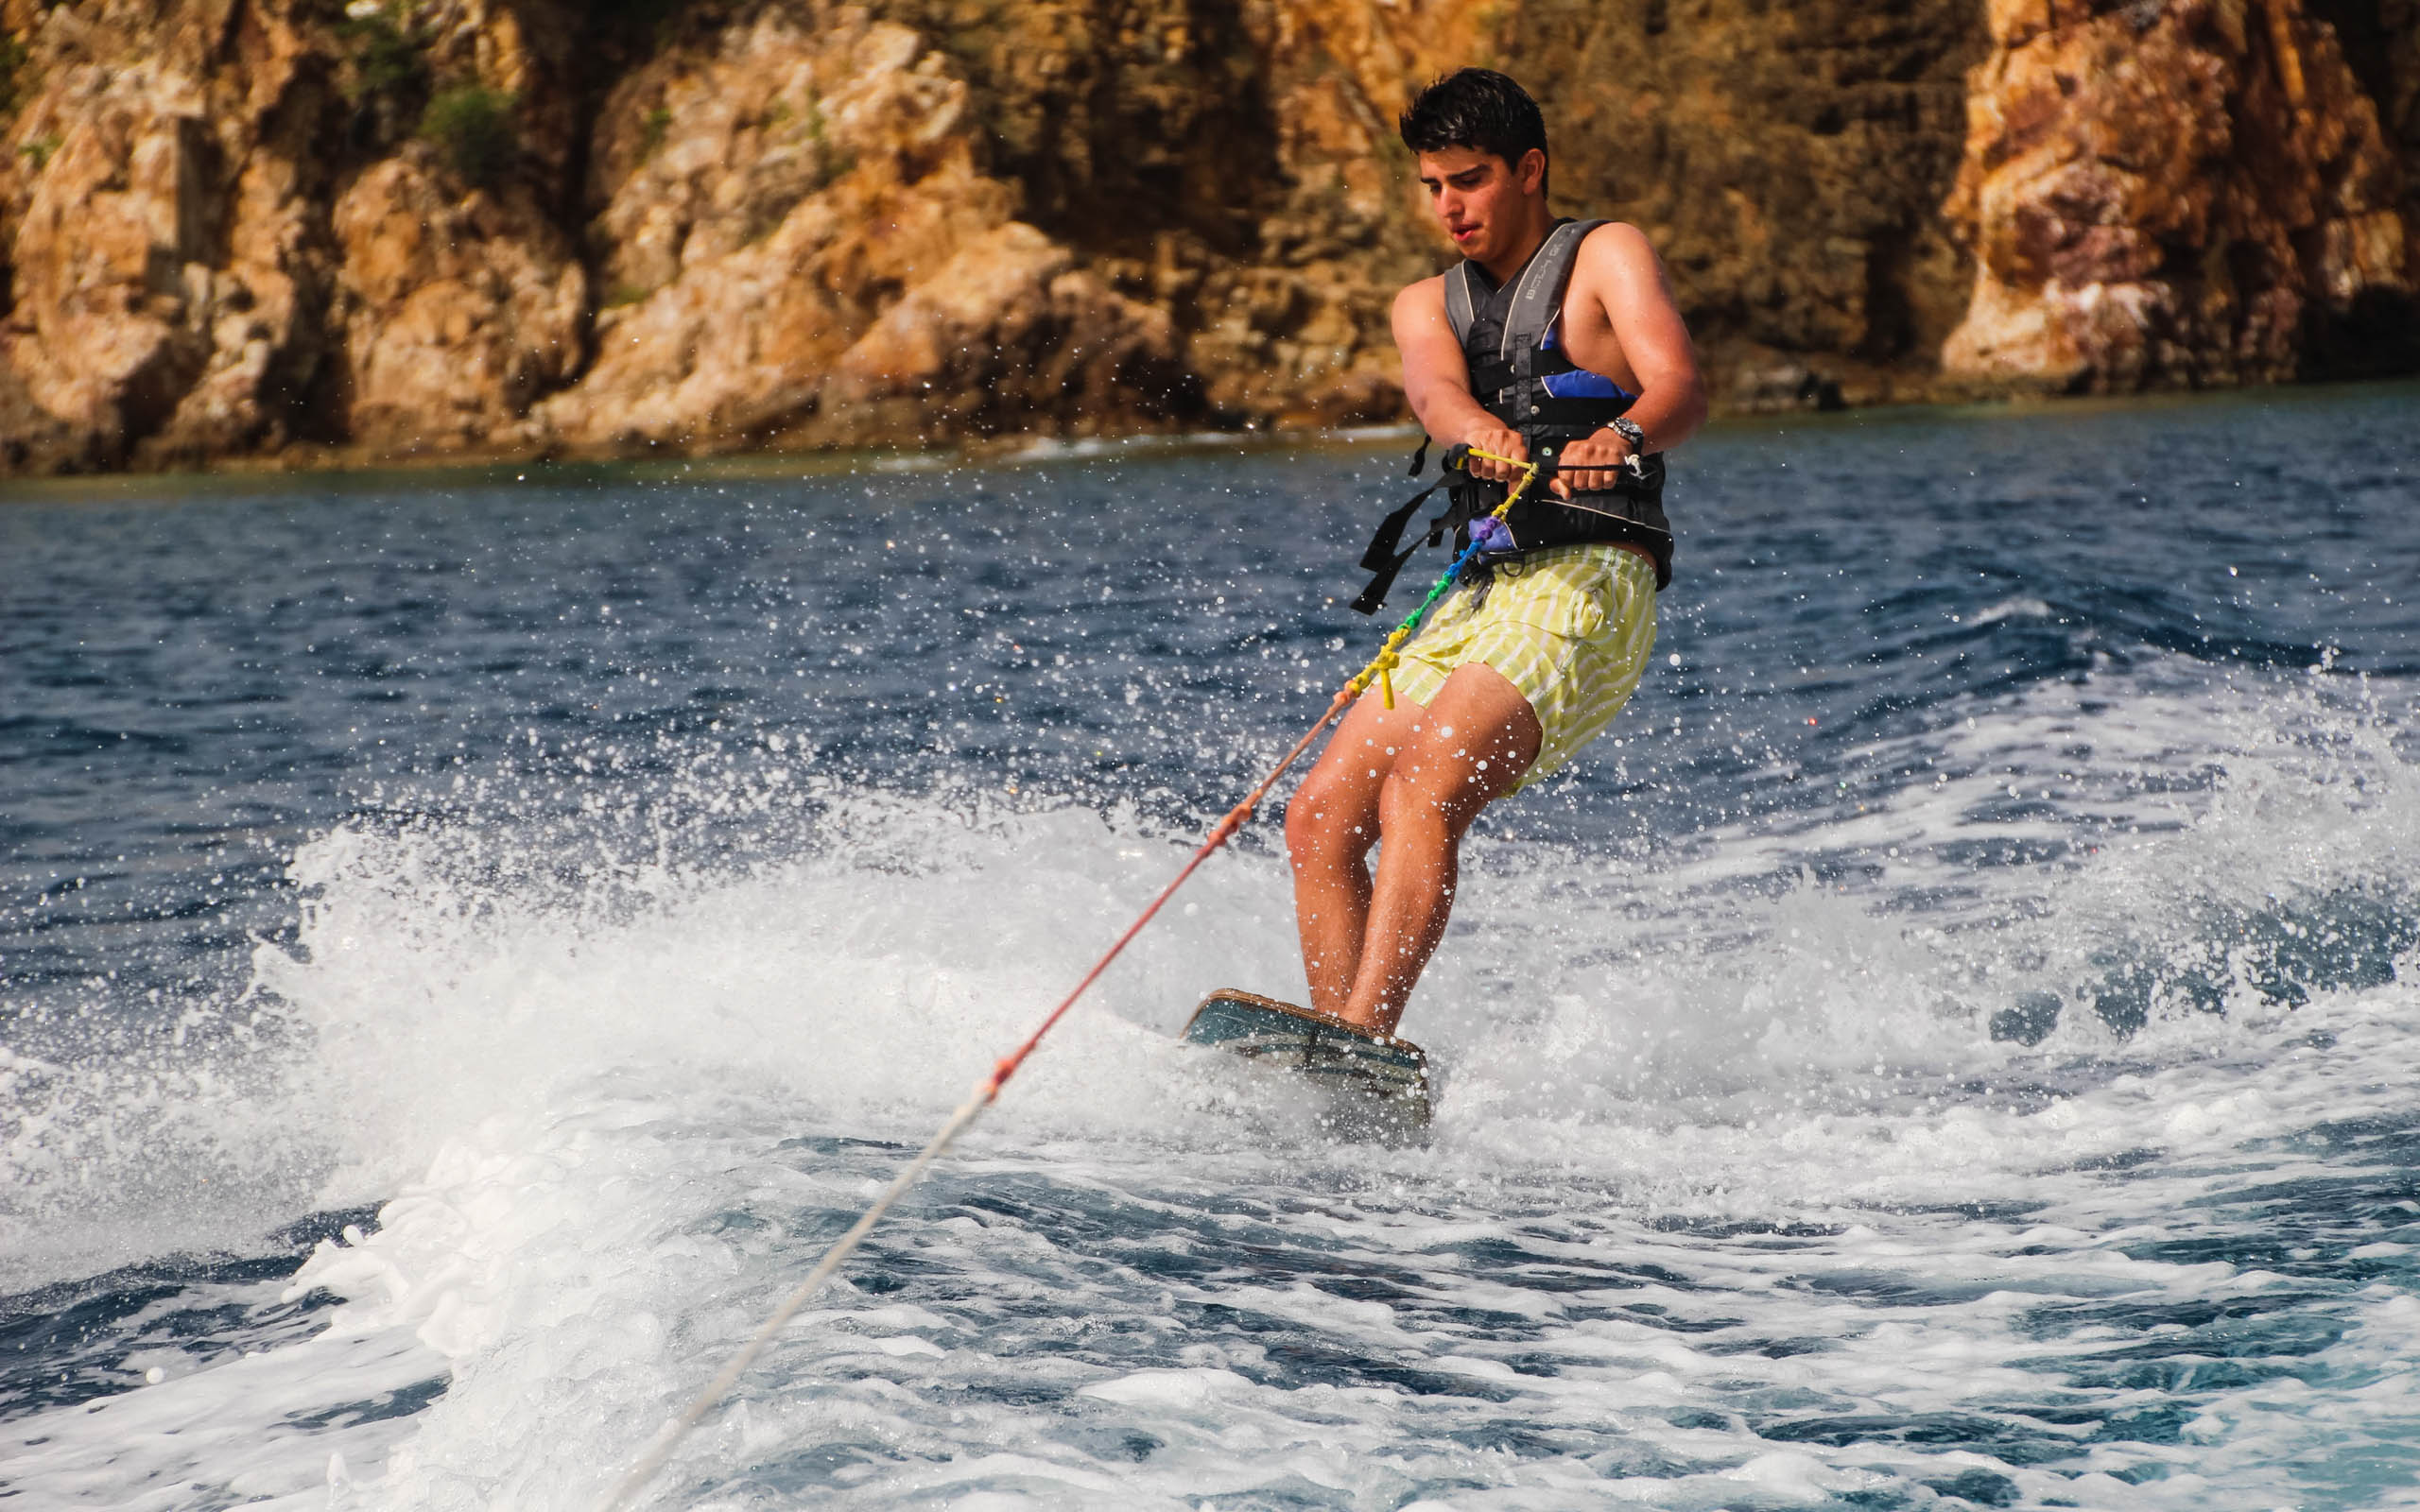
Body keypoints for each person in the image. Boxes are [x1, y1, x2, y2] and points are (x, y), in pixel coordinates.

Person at [1283, 68, 1707, 1039]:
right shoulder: (1423, 304)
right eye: (1432, 186)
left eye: (1468, 180)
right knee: (1318, 816)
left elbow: (1678, 383)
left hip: (1590, 584)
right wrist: (1477, 426)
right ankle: (1340, 1060)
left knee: (1422, 782)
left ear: (1529, 169)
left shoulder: (1607, 257)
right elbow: (1436, 396)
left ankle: (1363, 1038)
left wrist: (1626, 437)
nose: (1448, 206)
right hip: (1479, 596)